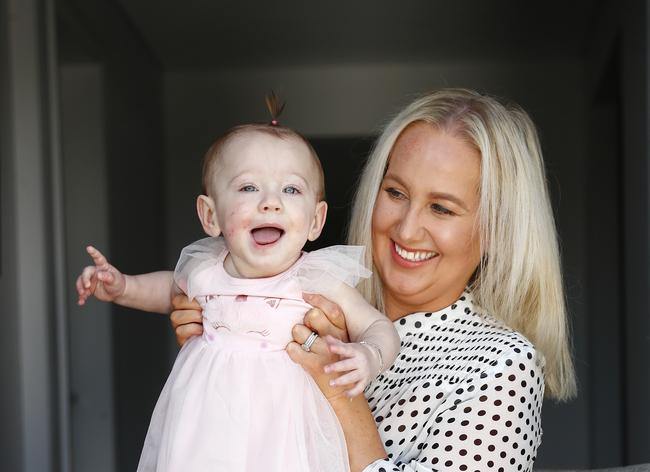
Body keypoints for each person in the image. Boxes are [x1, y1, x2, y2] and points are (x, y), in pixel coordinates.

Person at [172, 88, 577, 472]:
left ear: (497, 230)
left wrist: (341, 396)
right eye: (396, 193)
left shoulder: (501, 367)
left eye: (441, 208)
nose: (406, 227)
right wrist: (224, 348)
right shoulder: (312, 303)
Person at [75, 97, 401, 472]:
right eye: (248, 187)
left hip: (286, 430)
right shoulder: (205, 270)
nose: (270, 203)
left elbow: (378, 326)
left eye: (291, 190)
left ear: (316, 220)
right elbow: (169, 291)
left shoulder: (316, 279)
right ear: (210, 215)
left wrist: (369, 356)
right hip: (206, 425)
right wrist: (123, 287)